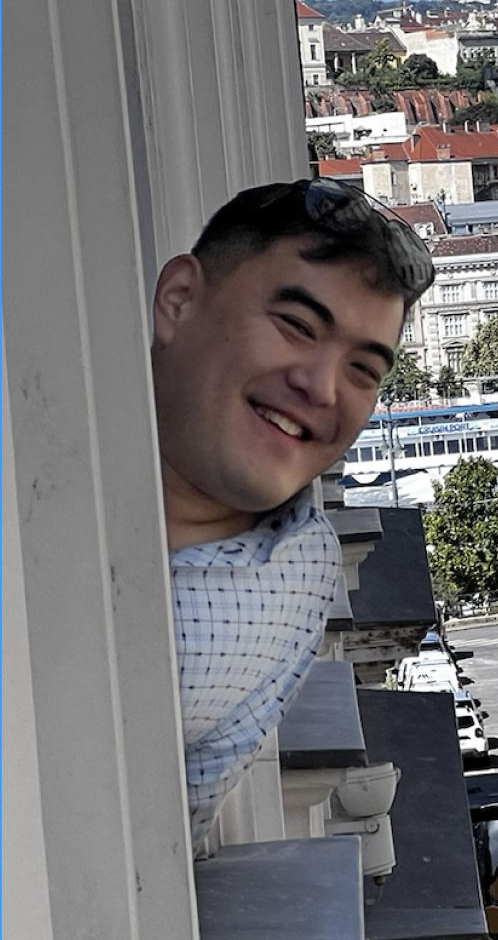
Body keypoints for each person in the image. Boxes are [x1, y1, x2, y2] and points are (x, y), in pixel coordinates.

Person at [150, 178, 435, 845]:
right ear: (180, 301)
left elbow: (166, 840)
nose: (320, 386)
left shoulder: (301, 574)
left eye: (363, 370)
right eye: (297, 326)